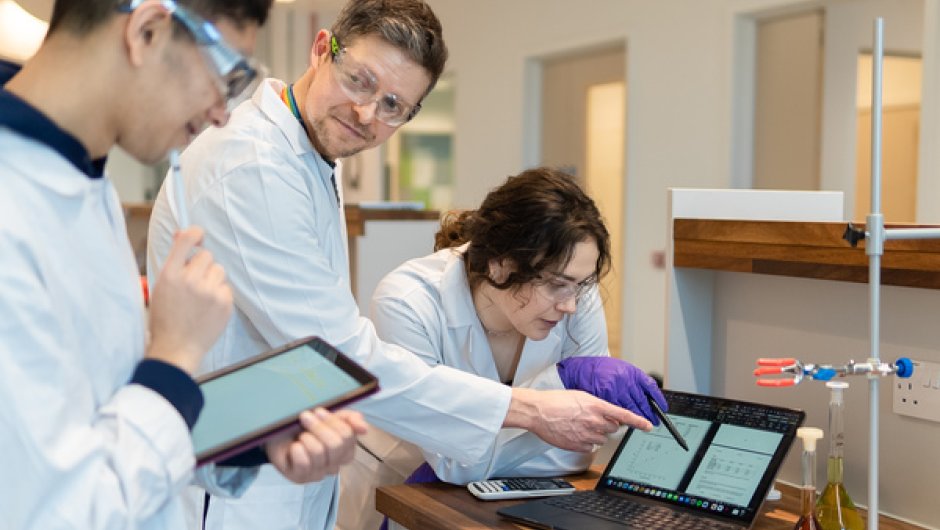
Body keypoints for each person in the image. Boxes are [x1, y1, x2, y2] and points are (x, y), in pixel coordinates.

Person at [146, 1, 656, 528]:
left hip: (278, 458)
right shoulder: (254, 167)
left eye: (394, 105)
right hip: (228, 483)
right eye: (359, 81)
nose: (368, 114)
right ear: (323, 49)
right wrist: (534, 409)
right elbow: (337, 356)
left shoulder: (310, 153)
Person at [0, 1, 365, 528]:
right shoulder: (15, 206)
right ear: (147, 30)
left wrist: (246, 437)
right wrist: (173, 356)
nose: (221, 113)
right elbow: (59, 511)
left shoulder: (82, 177)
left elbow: (98, 416)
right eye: (225, 74)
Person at [340, 167, 668, 529]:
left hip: (512, 505)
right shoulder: (409, 301)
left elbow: (580, 453)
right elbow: (452, 465)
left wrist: (486, 438)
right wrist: (558, 384)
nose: (571, 305)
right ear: (499, 267)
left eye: (581, 284)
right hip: (399, 490)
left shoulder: (576, 297)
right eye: (558, 284)